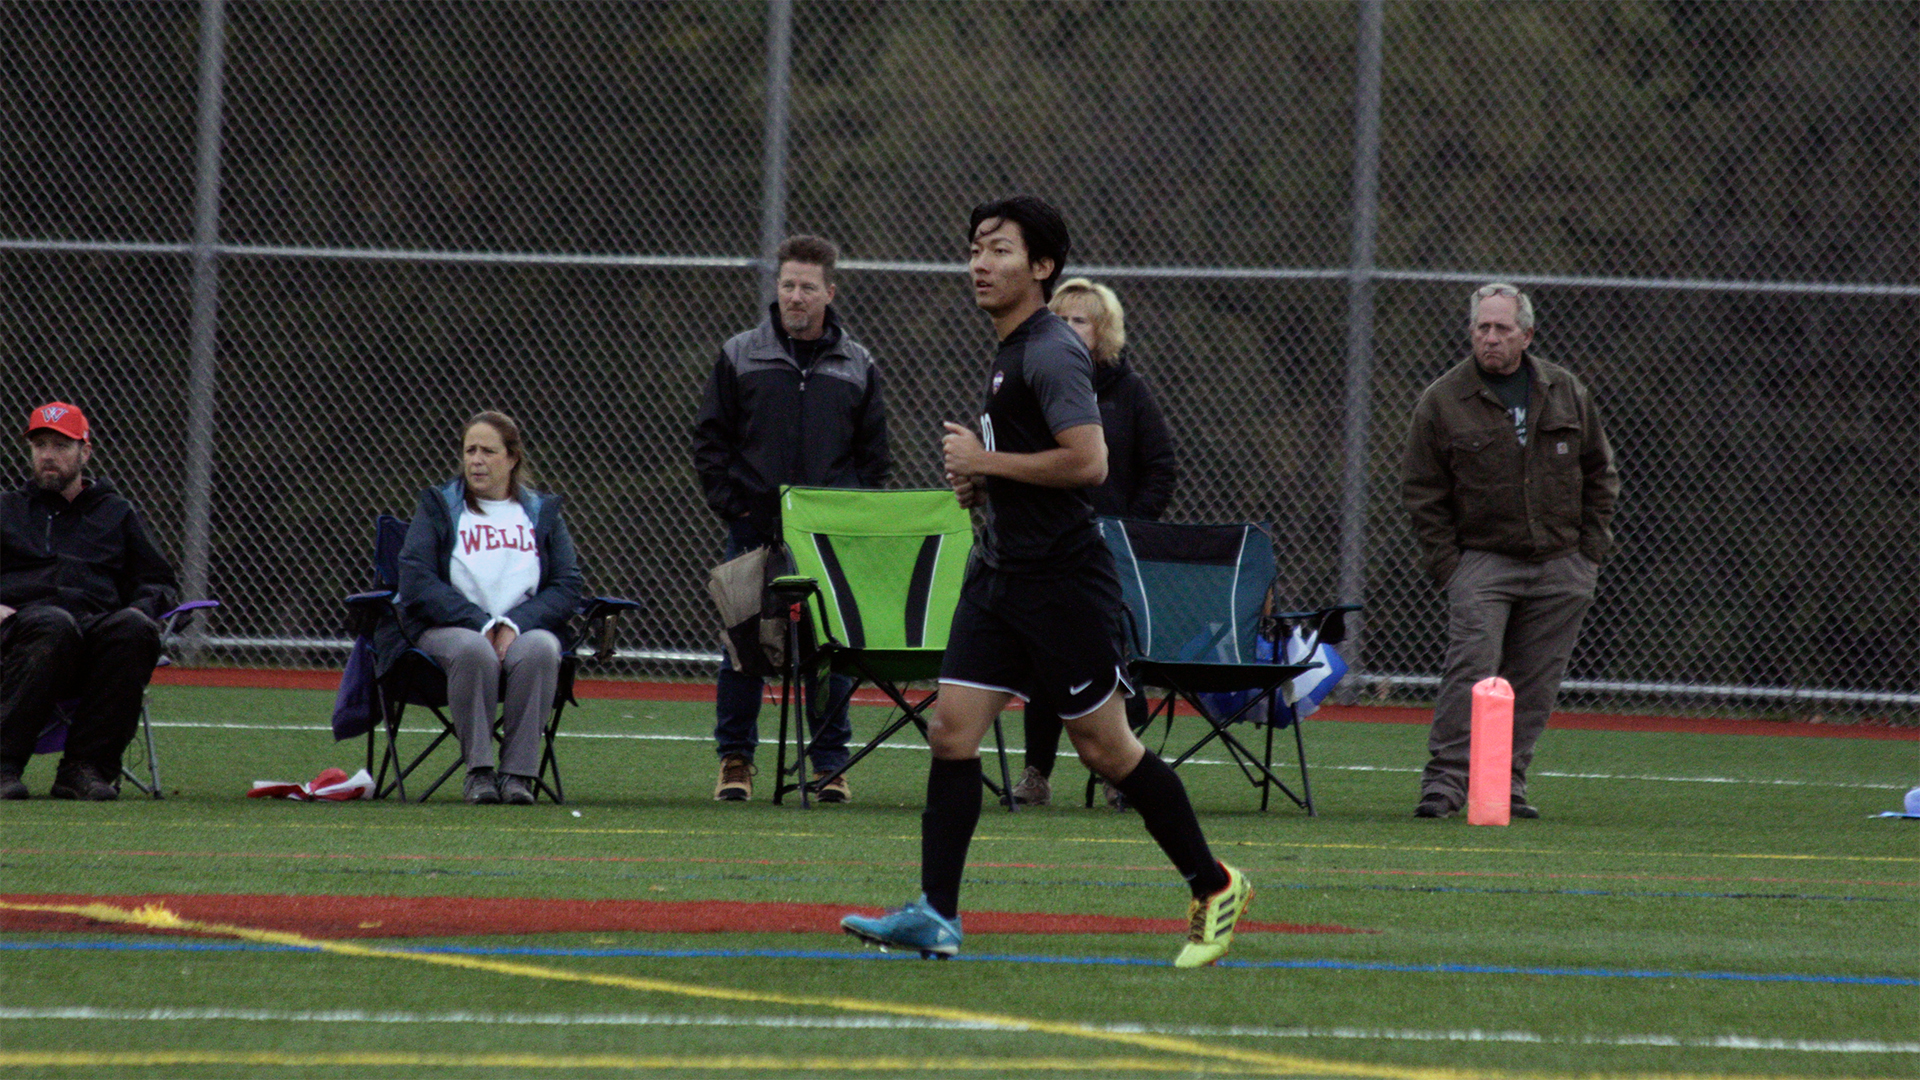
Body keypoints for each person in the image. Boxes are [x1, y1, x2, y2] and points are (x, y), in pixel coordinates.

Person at [841, 196, 1250, 968]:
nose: (978, 263)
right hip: (1001, 575)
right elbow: (1039, 470)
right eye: (973, 249)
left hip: (1062, 583)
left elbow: (1089, 462)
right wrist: (986, 489)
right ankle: (936, 914)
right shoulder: (1010, 349)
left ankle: (1214, 881)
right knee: (951, 731)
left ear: (1042, 266)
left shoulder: (1051, 349)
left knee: (1106, 750)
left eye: (998, 250)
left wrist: (985, 465)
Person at [1400, 283, 1619, 819]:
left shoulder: (1566, 392)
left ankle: (1505, 782)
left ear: (1527, 334)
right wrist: (1451, 568)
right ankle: (1446, 784)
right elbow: (1422, 492)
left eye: (1501, 328)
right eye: (1481, 327)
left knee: (1535, 680)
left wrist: (1587, 554)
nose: (1490, 338)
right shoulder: (1442, 400)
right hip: (1483, 561)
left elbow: (1600, 473)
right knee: (1470, 669)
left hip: (1560, 562)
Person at [692, 234, 890, 803]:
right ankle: (735, 761)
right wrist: (738, 505)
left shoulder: (857, 364)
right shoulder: (738, 355)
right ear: (775, 289)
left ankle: (829, 765)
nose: (795, 297)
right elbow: (710, 440)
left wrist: (845, 515)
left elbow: (873, 457)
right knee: (742, 646)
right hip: (753, 528)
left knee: (828, 650)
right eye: (787, 285)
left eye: (807, 287)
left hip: (828, 537)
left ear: (829, 291)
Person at [1009, 277, 1176, 809]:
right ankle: (1036, 772)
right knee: (1041, 659)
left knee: (1109, 660)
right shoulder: (1037, 384)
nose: (1068, 328)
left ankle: (1119, 770)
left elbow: (1160, 467)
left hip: (1108, 553)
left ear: (1103, 332)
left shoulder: (1131, 392)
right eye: (1060, 319)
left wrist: (1129, 527)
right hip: (1048, 545)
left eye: (1080, 319)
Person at [379, 411, 583, 805]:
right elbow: (416, 579)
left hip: (522, 631)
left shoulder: (542, 513)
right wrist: (482, 623)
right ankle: (479, 773)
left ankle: (519, 777)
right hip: (447, 629)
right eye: (469, 450)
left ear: (512, 459)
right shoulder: (439, 506)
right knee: (473, 650)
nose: (476, 459)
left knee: (541, 648)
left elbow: (567, 584)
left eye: (488, 451)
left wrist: (514, 624)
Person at [1, 402, 179, 801]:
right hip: (19, 635)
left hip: (93, 637)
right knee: (53, 622)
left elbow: (159, 582)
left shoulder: (116, 513)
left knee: (131, 629)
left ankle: (84, 769)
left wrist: (139, 611)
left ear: (85, 451)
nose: (48, 455)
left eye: (61, 445)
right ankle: (2, 765)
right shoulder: (5, 510)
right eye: (40, 445)